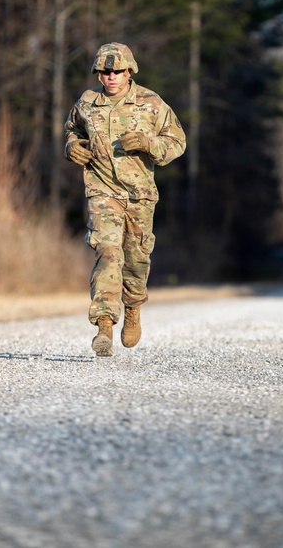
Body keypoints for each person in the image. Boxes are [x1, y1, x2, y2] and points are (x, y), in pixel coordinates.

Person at [64, 42, 187, 357]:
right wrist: (71, 147)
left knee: (135, 258)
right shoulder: (87, 102)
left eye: (116, 71)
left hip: (139, 195)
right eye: (104, 72)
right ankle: (104, 323)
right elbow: (73, 129)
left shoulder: (150, 103)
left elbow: (177, 141)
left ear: (129, 70)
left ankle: (132, 307)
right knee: (107, 252)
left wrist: (148, 144)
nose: (110, 77)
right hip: (102, 191)